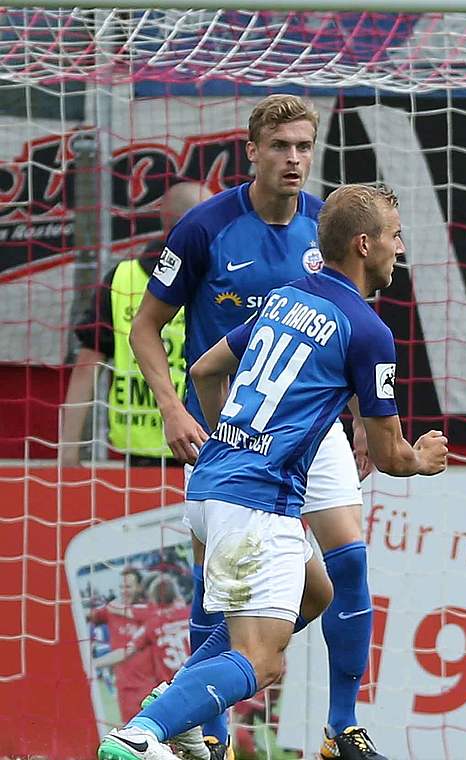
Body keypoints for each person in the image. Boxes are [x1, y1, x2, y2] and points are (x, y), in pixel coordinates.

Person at [97, 182, 449, 760]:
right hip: (257, 503)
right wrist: (425, 459)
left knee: (317, 593)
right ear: (364, 245)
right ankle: (139, 736)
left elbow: (208, 368)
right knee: (264, 658)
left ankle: (178, 702)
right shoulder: (369, 331)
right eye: (394, 236)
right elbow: (389, 456)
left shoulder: (285, 298)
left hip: (212, 485)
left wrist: (231, 441)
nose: (400, 249)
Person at [129, 95, 388, 759]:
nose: (294, 159)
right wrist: (174, 407)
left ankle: (341, 727)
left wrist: (362, 419)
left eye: (304, 146)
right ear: (252, 151)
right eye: (281, 146)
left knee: (346, 567)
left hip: (312, 429)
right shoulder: (204, 227)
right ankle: (202, 734)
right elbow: (145, 326)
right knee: (217, 592)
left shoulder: (325, 225)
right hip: (230, 432)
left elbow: (350, 334)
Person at [59, 181, 213, 466]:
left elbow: (86, 366)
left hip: (144, 448)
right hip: (205, 441)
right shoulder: (220, 278)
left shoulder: (121, 278)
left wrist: (69, 451)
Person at [88, 568, 158, 721]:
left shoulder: (150, 610)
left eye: (128, 587)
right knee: (130, 735)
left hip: (152, 686)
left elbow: (143, 612)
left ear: (139, 587)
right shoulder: (110, 611)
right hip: (125, 689)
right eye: (121, 587)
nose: (123, 591)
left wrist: (112, 606)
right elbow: (89, 616)